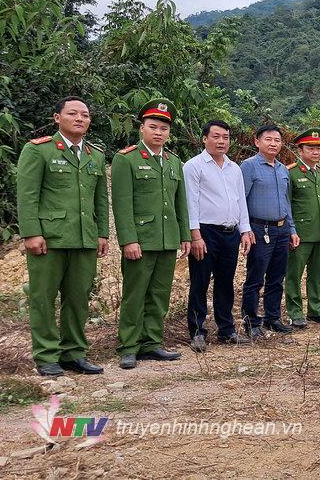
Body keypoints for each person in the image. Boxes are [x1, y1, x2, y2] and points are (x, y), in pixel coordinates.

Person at [17, 96, 109, 376]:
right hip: (50, 238)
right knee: (43, 298)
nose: (80, 118)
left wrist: (102, 233)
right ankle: (46, 355)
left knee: (78, 297)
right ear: (58, 118)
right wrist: (32, 233)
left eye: (85, 114)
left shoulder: (95, 154)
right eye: (73, 113)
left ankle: (74, 353)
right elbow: (28, 195)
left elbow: (100, 200)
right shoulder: (39, 151)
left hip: (84, 239)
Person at [111, 98, 191, 369]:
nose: (159, 133)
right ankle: (129, 346)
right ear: (142, 128)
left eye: (164, 129)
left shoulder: (173, 162)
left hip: (167, 239)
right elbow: (122, 205)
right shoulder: (126, 159)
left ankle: (152, 343)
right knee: (135, 294)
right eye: (153, 126)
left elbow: (180, 202)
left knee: (159, 294)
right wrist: (128, 240)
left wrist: (184, 236)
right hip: (141, 241)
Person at [184, 121, 254, 351]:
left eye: (225, 137)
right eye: (216, 136)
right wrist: (195, 235)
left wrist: (245, 229)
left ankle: (226, 329)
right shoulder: (194, 166)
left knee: (225, 282)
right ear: (205, 139)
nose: (221, 141)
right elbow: (190, 202)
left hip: (230, 232)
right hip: (206, 232)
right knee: (200, 282)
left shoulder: (234, 168)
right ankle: (197, 331)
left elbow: (240, 201)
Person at [240, 125, 299, 338]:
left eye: (277, 140)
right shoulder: (248, 167)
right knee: (256, 278)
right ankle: (251, 321)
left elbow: (286, 202)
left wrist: (291, 229)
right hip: (259, 229)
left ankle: (273, 318)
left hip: (281, 230)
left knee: (277, 277)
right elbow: (241, 200)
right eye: (268, 139)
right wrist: (245, 229)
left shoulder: (283, 169)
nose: (273, 143)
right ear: (257, 142)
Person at [283, 129, 320, 328]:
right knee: (294, 274)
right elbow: (287, 205)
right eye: (310, 148)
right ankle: (295, 312)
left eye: (318, 148)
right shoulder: (292, 173)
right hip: (301, 234)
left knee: (317, 274)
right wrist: (291, 230)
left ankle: (315, 309)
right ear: (300, 150)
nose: (315, 152)